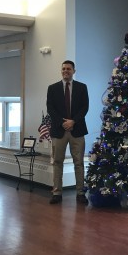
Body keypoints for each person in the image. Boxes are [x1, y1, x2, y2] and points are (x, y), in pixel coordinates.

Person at [47, 60, 89, 204]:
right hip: (59, 131)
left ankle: (80, 193)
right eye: (64, 68)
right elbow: (50, 108)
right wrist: (63, 123)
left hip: (77, 130)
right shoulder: (52, 88)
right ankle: (57, 193)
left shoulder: (82, 87)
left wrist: (73, 121)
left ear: (74, 71)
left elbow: (85, 107)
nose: (66, 71)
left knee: (79, 163)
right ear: (61, 70)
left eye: (69, 69)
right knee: (57, 162)